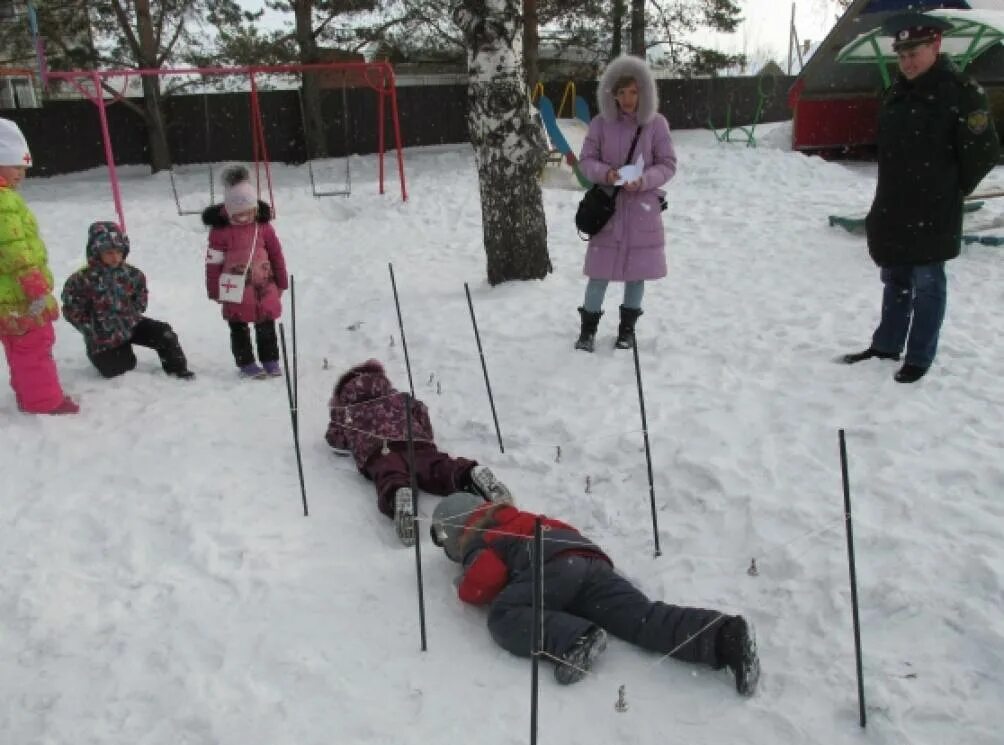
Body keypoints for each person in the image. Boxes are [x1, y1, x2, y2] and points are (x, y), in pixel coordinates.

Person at [430, 493, 760, 695]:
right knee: (641, 618)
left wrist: (465, 585)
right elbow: (568, 531)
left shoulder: (480, 537)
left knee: (503, 614)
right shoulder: (521, 517)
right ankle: (722, 636)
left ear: (455, 535)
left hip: (551, 567)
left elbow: (485, 578)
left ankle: (575, 640)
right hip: (588, 561)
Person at [843, 12, 1000, 383]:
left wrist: (948, 188)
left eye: (915, 53)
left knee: (928, 284)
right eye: (901, 54)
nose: (907, 61)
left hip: (934, 208)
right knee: (895, 278)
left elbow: (983, 153)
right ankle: (886, 345)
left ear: (936, 47)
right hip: (894, 204)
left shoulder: (961, 92)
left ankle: (919, 356)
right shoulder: (896, 92)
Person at [325, 359, 513, 546]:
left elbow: (336, 439)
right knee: (437, 467)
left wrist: (350, 440)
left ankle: (398, 493)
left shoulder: (345, 410)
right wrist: (425, 436)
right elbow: (420, 411)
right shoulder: (399, 396)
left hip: (379, 450)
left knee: (390, 474)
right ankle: (468, 474)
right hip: (416, 442)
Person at [574, 54, 678, 352]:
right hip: (608, 210)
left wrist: (644, 179)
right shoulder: (600, 124)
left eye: (633, 91)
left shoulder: (656, 125)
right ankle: (587, 331)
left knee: (637, 275)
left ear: (644, 91)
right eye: (621, 92)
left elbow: (668, 164)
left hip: (643, 211)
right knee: (598, 275)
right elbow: (586, 161)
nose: (628, 99)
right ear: (612, 94)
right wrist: (606, 173)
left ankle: (627, 332)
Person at [0, 118, 78, 415]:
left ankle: (28, 394)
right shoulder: (3, 201)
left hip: (8, 296)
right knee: (34, 346)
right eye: (15, 166)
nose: (21, 174)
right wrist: (33, 284)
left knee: (19, 347)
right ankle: (45, 402)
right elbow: (12, 248)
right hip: (21, 294)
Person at [61, 221, 194, 380]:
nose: (115, 257)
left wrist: (131, 314)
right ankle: (114, 353)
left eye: (119, 251)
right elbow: (71, 309)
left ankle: (178, 371)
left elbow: (141, 297)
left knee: (164, 333)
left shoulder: (133, 274)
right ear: (96, 252)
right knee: (120, 368)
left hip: (130, 324)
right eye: (109, 253)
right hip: (103, 336)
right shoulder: (81, 280)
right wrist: (92, 328)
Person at [203, 165, 288, 379]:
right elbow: (213, 263)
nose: (243, 218)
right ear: (229, 210)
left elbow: (276, 254)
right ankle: (246, 363)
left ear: (256, 208)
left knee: (266, 324)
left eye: (248, 212)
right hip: (234, 286)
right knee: (238, 327)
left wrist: (281, 280)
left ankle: (270, 360)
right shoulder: (220, 232)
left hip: (264, 284)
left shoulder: (264, 228)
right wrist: (214, 289)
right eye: (237, 214)